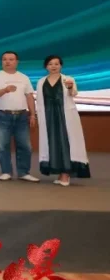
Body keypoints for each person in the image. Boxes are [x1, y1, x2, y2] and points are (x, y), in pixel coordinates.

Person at [36, 55, 90, 187]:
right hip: (49, 117)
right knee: (53, 143)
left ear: (61, 66)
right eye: (50, 64)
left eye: (56, 64)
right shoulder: (41, 81)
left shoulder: (68, 79)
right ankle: (60, 173)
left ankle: (66, 174)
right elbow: (40, 101)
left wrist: (70, 88)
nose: (53, 66)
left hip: (64, 117)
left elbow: (73, 94)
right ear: (46, 66)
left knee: (66, 143)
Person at [0, 51, 38, 182]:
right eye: (4, 59)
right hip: (3, 115)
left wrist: (33, 114)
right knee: (3, 145)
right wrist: (5, 90)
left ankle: (24, 172)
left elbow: (29, 96)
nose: (7, 62)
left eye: (11, 59)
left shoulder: (24, 77)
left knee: (25, 146)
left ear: (17, 62)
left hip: (22, 115)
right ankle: (6, 171)